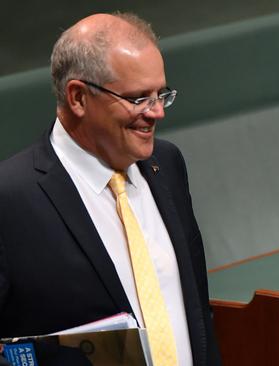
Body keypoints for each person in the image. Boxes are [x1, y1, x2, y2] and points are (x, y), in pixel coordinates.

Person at [0, 13, 220, 366]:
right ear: (78, 98)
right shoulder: (10, 200)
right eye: (138, 99)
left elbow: (197, 315)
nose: (157, 112)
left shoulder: (168, 165)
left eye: (160, 94)